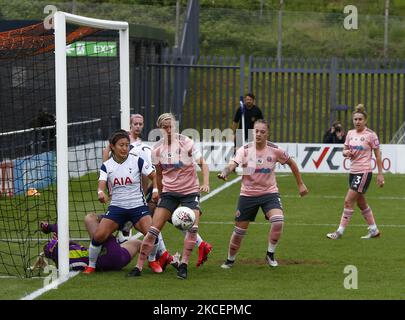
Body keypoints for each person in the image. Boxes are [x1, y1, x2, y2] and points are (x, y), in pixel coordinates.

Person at [128, 112, 212, 280]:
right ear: (160, 128)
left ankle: (184, 266)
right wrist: (157, 191)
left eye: (170, 126)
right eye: (164, 127)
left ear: (175, 126)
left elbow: (203, 164)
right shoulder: (157, 149)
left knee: (192, 228)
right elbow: (158, 174)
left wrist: (206, 183)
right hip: (169, 194)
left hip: (190, 192)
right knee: (152, 230)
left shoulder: (186, 142)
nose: (168, 129)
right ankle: (138, 266)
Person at [218, 119, 308, 268]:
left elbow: (291, 163)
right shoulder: (245, 149)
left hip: (269, 193)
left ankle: (270, 254)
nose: (258, 134)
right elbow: (232, 164)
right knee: (239, 230)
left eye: (262, 132)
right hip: (248, 195)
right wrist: (225, 172)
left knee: (278, 220)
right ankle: (230, 259)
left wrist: (300, 184)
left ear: (268, 134)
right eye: (256, 131)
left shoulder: (275, 150)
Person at [102, 115, 175, 271]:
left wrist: (151, 189)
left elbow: (148, 172)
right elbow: (107, 169)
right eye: (135, 124)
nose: (138, 126)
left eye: (141, 124)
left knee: (157, 221)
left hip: (142, 193)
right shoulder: (121, 146)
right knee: (153, 222)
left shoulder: (142, 147)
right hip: (124, 197)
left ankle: (160, 254)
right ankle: (157, 254)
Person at [83, 130, 159, 274]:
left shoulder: (137, 160)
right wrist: (101, 193)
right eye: (121, 145)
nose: (125, 148)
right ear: (112, 146)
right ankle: (91, 265)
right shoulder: (107, 165)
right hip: (117, 207)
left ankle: (153, 260)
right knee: (99, 236)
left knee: (152, 234)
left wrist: (155, 190)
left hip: (138, 206)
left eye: (127, 145)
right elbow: (101, 183)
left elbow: (154, 176)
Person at [326, 104, 384, 240]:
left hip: (364, 172)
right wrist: (346, 152)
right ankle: (374, 230)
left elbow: (378, 155)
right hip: (352, 172)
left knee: (348, 201)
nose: (357, 122)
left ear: (365, 120)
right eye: (355, 119)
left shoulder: (371, 135)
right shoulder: (350, 134)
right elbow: (344, 150)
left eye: (360, 119)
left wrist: (380, 174)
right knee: (361, 202)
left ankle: (339, 232)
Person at [40, 214, 142, 272]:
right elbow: (60, 228)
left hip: (117, 262)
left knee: (137, 244)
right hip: (106, 254)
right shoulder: (60, 249)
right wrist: (48, 228)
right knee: (90, 218)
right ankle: (120, 222)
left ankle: (157, 256)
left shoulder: (64, 263)